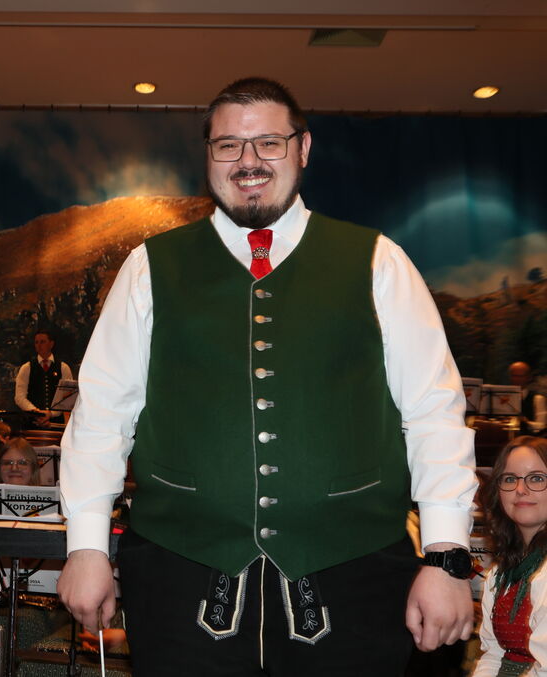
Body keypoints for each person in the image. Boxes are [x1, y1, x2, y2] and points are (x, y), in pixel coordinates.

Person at [57, 77, 477, 676]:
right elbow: (101, 413)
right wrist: (86, 546)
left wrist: (445, 558)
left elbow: (434, 411)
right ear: (208, 155)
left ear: (303, 148)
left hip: (353, 575)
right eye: (228, 145)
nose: (248, 160)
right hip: (180, 577)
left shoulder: (378, 262)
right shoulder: (150, 268)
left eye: (269, 143)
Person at [473, 436, 547, 675]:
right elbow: (493, 653)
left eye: (537, 478)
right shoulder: (500, 572)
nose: (520, 489)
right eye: (510, 479)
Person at [14, 330, 73, 426]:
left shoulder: (63, 368)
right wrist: (36, 412)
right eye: (36, 342)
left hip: (55, 423)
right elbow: (19, 397)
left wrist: (51, 414)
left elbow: (67, 398)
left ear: (51, 344)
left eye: (42, 342)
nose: (39, 345)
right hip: (32, 423)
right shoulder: (26, 368)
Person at [509, 361, 546, 435]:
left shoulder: (537, 399)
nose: (517, 379)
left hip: (529, 439)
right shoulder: (503, 397)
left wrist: (526, 422)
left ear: (529, 378)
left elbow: (542, 426)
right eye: (514, 376)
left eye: (521, 376)